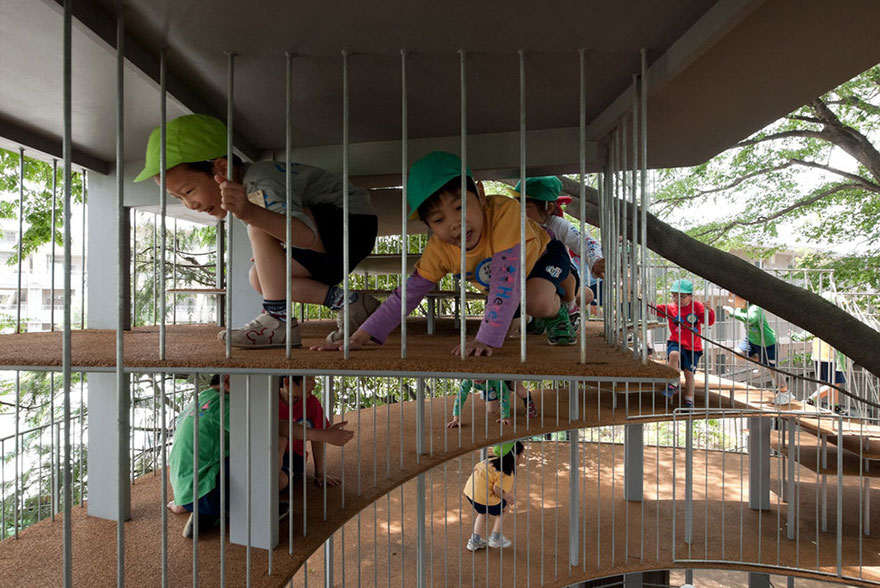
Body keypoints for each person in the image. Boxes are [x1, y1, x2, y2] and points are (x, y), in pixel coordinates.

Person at [134, 114, 380, 348]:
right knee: (259, 276)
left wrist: (253, 216)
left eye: (188, 191)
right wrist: (269, 256)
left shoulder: (260, 182)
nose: (190, 205)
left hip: (349, 223)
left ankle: (277, 320)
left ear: (221, 169)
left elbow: (305, 237)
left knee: (257, 224)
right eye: (178, 197)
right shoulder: (248, 189)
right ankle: (351, 304)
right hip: (334, 239)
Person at [313, 151, 577, 354]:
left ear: (481, 195)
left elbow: (506, 283)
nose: (454, 223)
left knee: (538, 303)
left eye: (460, 207)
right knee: (518, 305)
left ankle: (565, 293)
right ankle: (550, 298)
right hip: (506, 281)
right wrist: (358, 337)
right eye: (439, 220)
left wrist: (485, 339)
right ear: (428, 227)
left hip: (543, 255)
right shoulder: (439, 250)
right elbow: (406, 295)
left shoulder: (505, 214)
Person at [516, 176, 605, 332]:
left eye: (526, 205)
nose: (518, 211)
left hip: (560, 276)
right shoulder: (513, 225)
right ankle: (534, 317)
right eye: (515, 204)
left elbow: (584, 241)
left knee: (576, 286)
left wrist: (595, 261)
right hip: (530, 277)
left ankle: (569, 307)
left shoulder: (556, 224)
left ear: (548, 208)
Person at [168, 374, 231, 538]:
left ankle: (188, 505)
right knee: (252, 454)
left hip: (183, 491)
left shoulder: (198, 400)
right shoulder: (226, 405)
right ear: (228, 380)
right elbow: (259, 434)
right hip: (206, 495)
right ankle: (216, 513)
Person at [279, 375, 354, 488]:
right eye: (309, 379)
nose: (314, 385)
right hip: (266, 452)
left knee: (280, 481)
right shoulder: (267, 398)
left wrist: (319, 473)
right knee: (280, 439)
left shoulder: (311, 403)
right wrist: (326, 435)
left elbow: (318, 438)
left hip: (293, 456)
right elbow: (278, 427)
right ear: (287, 381)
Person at [654, 279, 715, 409]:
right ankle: (673, 382)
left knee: (689, 374)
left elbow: (709, 322)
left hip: (693, 347)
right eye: (674, 295)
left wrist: (709, 310)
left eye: (682, 296)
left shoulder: (697, 307)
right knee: (674, 355)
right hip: (676, 341)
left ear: (690, 296)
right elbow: (654, 309)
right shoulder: (670, 308)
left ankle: (689, 399)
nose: (677, 299)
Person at [463, 441, 525, 551]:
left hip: (470, 493)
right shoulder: (507, 472)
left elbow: (476, 468)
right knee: (505, 508)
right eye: (522, 454)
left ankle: (474, 542)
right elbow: (497, 489)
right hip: (482, 498)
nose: (523, 457)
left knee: (483, 512)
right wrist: (507, 497)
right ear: (515, 456)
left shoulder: (488, 460)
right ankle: (496, 537)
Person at [722, 293, 788, 394]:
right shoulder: (740, 309)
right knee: (737, 352)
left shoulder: (755, 308)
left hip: (767, 343)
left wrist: (732, 313)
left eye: (732, 297)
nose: (730, 301)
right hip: (751, 341)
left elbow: (750, 319)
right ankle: (760, 359)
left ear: (743, 298)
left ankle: (785, 392)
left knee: (772, 370)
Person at [446, 379, 537, 428]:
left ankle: (528, 400)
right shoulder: (467, 381)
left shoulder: (495, 380)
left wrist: (505, 416)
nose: (477, 378)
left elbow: (503, 396)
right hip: (491, 386)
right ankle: (491, 392)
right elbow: (460, 398)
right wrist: (456, 419)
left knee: (521, 392)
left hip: (508, 379)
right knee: (492, 410)